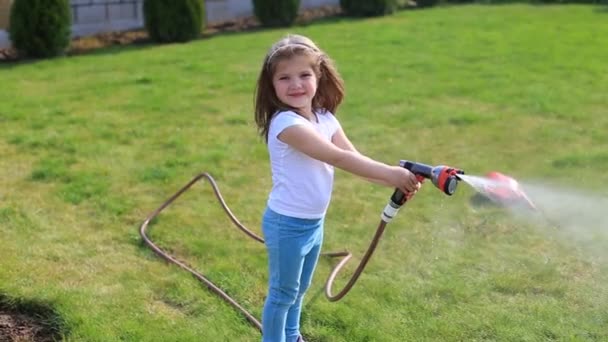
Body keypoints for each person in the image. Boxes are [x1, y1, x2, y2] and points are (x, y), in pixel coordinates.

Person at [253, 34, 420, 342]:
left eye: (304, 74)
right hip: (286, 224)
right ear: (272, 85)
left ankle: (292, 336)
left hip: (314, 223)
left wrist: (395, 180)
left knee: (299, 289)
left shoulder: (325, 118)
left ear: (319, 75)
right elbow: (337, 158)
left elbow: (356, 159)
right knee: (282, 294)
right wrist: (392, 174)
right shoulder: (286, 125)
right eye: (284, 77)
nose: (296, 84)